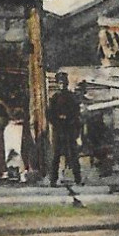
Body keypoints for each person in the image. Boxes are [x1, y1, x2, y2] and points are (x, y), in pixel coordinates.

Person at [46, 72, 84, 202]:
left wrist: (68, 119)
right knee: (56, 155)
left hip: (69, 129)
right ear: (57, 84)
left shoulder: (72, 98)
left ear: (66, 83)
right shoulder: (54, 98)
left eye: (63, 83)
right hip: (58, 130)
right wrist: (57, 120)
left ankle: (77, 178)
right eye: (59, 83)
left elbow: (76, 113)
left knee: (73, 154)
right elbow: (49, 114)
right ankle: (53, 180)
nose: (61, 85)